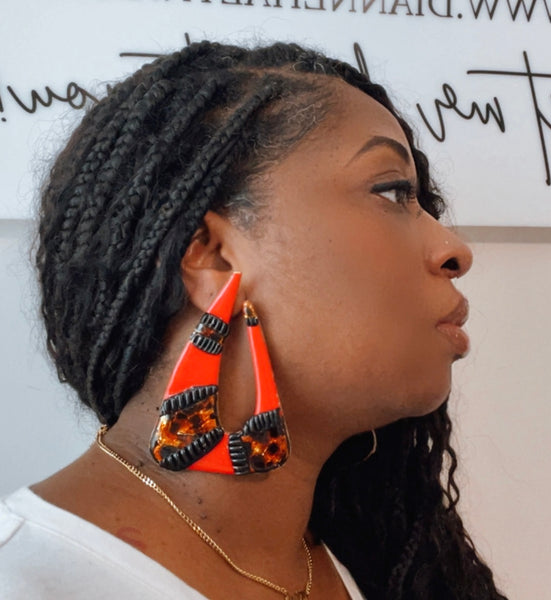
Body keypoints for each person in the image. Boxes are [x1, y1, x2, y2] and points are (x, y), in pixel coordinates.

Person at [0, 41, 508, 599]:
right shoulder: (25, 580)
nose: (454, 249)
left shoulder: (381, 566)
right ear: (213, 255)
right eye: (392, 192)